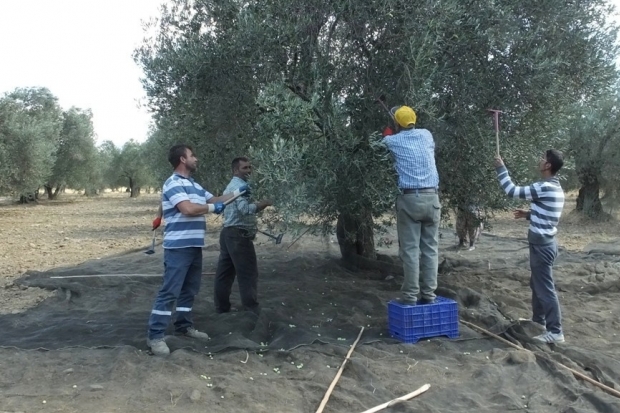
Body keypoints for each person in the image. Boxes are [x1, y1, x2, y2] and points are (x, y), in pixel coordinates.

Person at [146, 144, 249, 356]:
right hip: (178, 247)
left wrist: (239, 192)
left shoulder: (193, 184)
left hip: (194, 246)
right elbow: (189, 209)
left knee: (189, 290)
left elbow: (215, 200)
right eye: (193, 155)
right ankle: (155, 336)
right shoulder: (173, 183)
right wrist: (212, 208)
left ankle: (183, 327)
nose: (197, 159)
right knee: (169, 291)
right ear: (183, 159)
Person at [494, 149, 565, 343]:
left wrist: (501, 169)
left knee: (545, 288)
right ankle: (538, 322)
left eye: (543, 158)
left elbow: (512, 191)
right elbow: (548, 215)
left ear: (548, 165)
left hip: (542, 247)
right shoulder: (554, 187)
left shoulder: (545, 187)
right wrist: (528, 215)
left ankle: (555, 332)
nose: (540, 160)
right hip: (545, 244)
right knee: (537, 284)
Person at [382, 106, 441, 306]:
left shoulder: (393, 141)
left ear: (397, 123)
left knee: (410, 251)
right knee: (431, 250)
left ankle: (409, 297)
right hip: (432, 199)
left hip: (410, 200)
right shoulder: (426, 135)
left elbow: (383, 143)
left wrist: (389, 131)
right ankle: (429, 296)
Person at [214, 157, 272, 314]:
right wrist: (264, 203)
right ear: (235, 170)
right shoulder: (241, 187)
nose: (249, 171)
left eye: (249, 167)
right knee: (248, 273)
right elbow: (245, 209)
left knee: (225, 273)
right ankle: (251, 309)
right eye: (245, 168)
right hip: (238, 235)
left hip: (227, 233)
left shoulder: (231, 185)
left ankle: (222, 307)